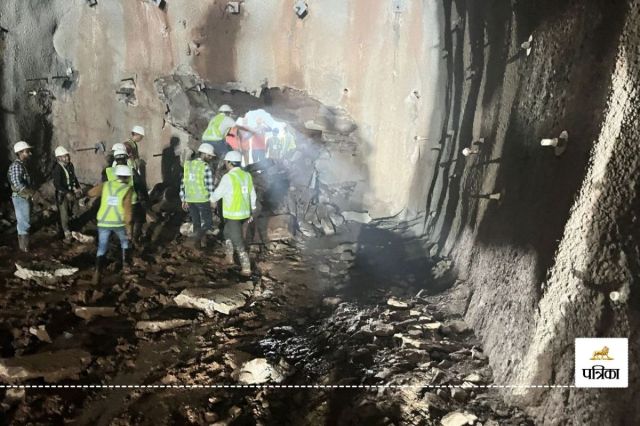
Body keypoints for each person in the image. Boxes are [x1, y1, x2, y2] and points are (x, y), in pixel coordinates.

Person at [210, 151, 257, 276]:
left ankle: (246, 268)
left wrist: (211, 199)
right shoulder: (246, 175)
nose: (225, 164)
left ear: (230, 162)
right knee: (226, 232)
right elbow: (252, 194)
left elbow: (218, 193)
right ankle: (229, 258)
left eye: (226, 162)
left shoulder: (228, 177)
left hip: (233, 215)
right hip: (244, 213)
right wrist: (252, 209)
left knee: (238, 240)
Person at [88, 165, 134, 285]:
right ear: (128, 177)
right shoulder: (127, 189)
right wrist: (129, 229)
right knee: (124, 242)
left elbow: (91, 192)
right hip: (118, 222)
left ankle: (97, 272)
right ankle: (126, 265)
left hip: (103, 221)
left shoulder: (106, 185)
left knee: (102, 247)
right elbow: (127, 211)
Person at [180, 143, 216, 248]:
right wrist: (213, 199)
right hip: (202, 199)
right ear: (204, 154)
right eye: (209, 156)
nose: (210, 158)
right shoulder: (205, 167)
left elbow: (183, 183)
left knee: (196, 222)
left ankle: (199, 245)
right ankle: (194, 239)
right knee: (208, 223)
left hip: (190, 199)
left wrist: (184, 199)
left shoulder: (188, 165)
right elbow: (209, 185)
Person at [8, 141, 35, 252]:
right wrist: (31, 193)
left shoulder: (22, 166)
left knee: (23, 221)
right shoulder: (16, 166)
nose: (30, 153)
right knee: (24, 222)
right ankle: (24, 249)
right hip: (20, 197)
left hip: (23, 197)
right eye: (27, 151)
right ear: (20, 153)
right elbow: (16, 183)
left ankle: (23, 247)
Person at [52, 146, 83, 241]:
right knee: (64, 213)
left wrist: (78, 188)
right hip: (62, 194)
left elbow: (74, 178)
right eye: (64, 156)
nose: (67, 158)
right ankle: (66, 233)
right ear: (59, 158)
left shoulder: (70, 165)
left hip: (71, 191)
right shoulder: (57, 169)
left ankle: (74, 228)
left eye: (67, 156)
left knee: (74, 210)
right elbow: (57, 184)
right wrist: (66, 193)